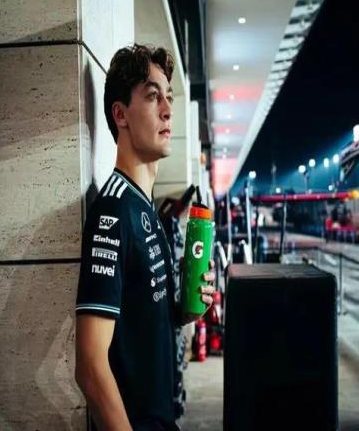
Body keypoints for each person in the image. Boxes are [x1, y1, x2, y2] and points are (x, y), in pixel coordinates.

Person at [74, 44, 216, 431]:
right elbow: (90, 365)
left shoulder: (145, 208)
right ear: (120, 114)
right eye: (153, 97)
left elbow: (138, 321)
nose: (168, 110)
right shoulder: (113, 212)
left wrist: (184, 312)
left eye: (168, 97)